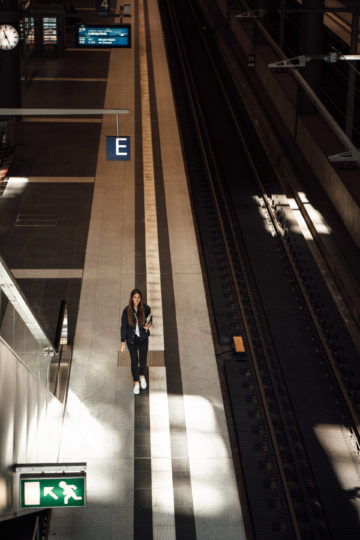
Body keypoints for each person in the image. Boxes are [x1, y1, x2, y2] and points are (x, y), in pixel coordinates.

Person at [120, 289, 152, 394]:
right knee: (134, 361)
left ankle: (142, 376)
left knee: (143, 361)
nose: (137, 299)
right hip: (131, 339)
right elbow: (124, 326)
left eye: (138, 297)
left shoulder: (146, 308)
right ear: (131, 298)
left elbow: (150, 319)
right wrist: (122, 342)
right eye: (135, 297)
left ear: (141, 298)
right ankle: (136, 382)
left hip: (143, 338)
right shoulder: (126, 311)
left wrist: (148, 325)